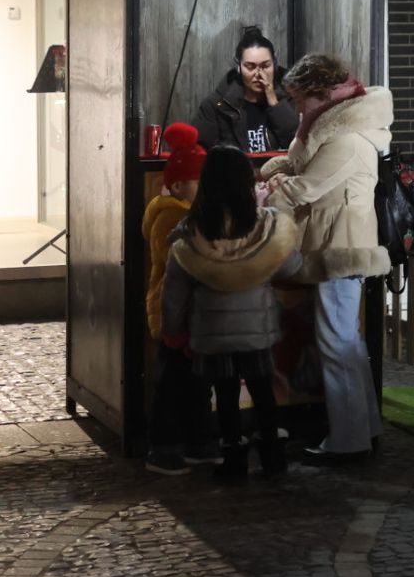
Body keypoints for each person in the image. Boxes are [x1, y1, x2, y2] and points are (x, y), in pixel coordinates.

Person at [262, 53, 392, 463]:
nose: (297, 108)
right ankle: (363, 430)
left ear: (322, 95)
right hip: (334, 243)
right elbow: (299, 170)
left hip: (341, 247)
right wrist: (280, 172)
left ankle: (349, 441)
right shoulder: (331, 130)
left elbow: (305, 187)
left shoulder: (347, 139)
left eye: (301, 99)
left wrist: (273, 185)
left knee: (337, 343)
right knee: (346, 343)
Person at [161, 144, 303, 482]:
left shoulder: (190, 231)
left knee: (224, 395)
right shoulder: (267, 226)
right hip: (256, 328)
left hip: (212, 331)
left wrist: (173, 332)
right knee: (262, 391)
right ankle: (273, 458)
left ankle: (234, 463)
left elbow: (174, 291)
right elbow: (292, 266)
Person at [140, 121, 219, 475]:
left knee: (198, 382)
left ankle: (199, 442)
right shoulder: (171, 216)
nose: (203, 188)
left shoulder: (189, 214)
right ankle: (163, 447)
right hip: (173, 311)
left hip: (192, 313)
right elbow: (170, 267)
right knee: (172, 382)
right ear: (177, 184)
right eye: (197, 181)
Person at [194, 25, 299, 154]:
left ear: (275, 63)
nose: (259, 74)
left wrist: (274, 100)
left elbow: (298, 144)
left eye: (266, 66)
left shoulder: (293, 97)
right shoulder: (217, 105)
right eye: (250, 67)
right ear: (238, 66)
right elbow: (200, 151)